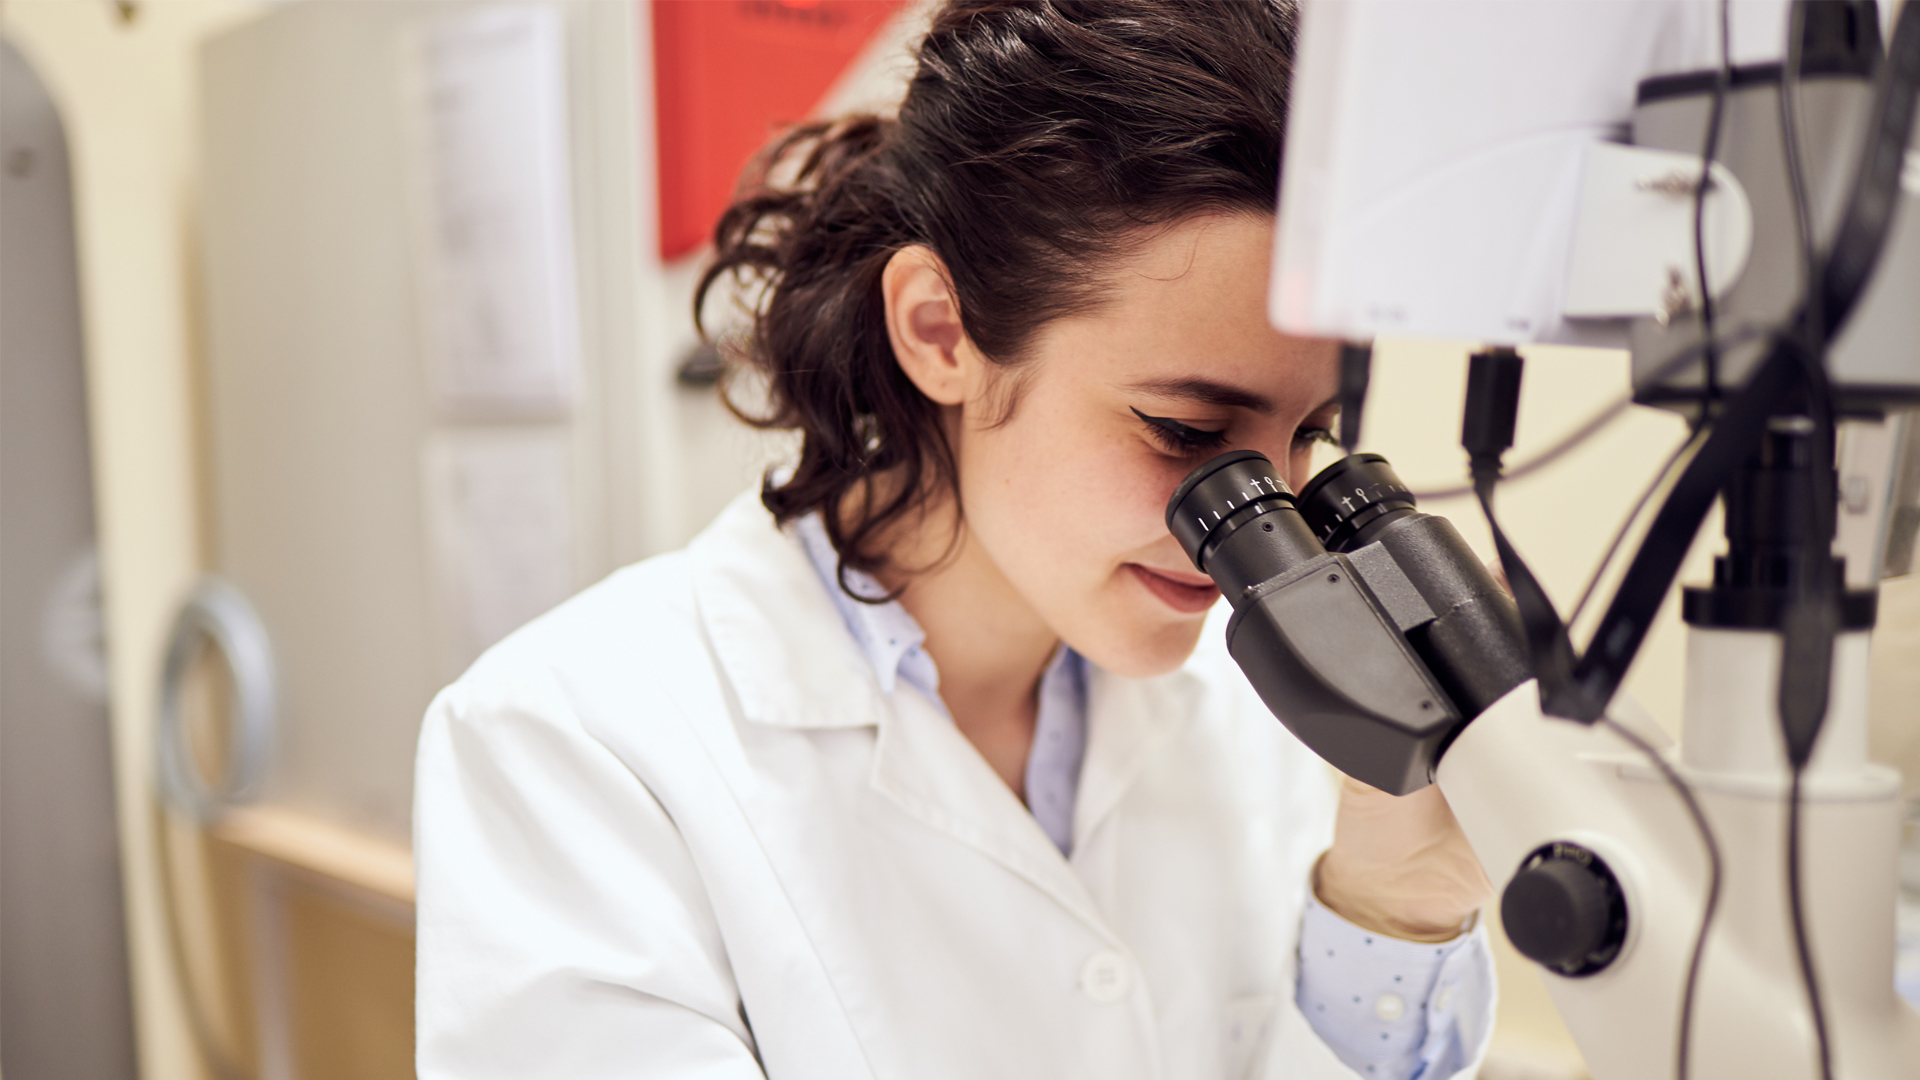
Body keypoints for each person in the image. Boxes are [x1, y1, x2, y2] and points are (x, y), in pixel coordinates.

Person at [415, 2, 1496, 1077]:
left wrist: (1386, 910)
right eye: (1187, 432)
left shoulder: (1245, 700)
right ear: (939, 330)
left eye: (1309, 437)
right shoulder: (571, 749)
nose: (1255, 521)